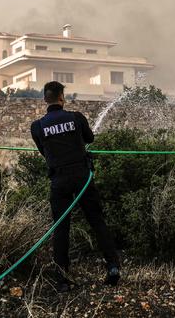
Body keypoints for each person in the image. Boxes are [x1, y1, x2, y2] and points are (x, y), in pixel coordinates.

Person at [30, 81, 120, 292]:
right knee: (97, 222)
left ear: (45, 99)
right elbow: (90, 138)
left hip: (59, 181)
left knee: (61, 229)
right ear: (62, 97)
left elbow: (45, 153)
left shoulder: (37, 127)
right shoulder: (76, 118)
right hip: (82, 177)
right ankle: (113, 267)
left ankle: (62, 279)